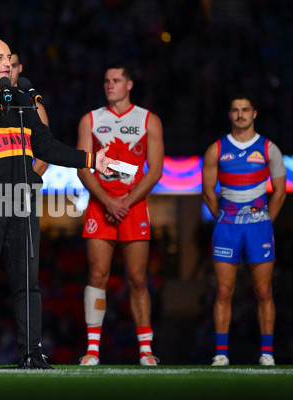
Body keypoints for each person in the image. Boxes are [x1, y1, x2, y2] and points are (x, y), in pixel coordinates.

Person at [0, 38, 115, 369]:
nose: (6, 64)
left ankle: (31, 353)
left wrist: (92, 158)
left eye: (9, 58)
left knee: (28, 283)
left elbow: (46, 146)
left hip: (21, 203)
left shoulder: (23, 102)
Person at [76, 63, 164, 366]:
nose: (109, 85)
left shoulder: (149, 120)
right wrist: (106, 201)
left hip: (133, 205)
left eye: (115, 80)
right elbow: (82, 166)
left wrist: (125, 202)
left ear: (129, 85)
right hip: (100, 206)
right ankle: (92, 350)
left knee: (137, 279)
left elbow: (155, 171)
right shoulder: (90, 120)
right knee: (97, 276)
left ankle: (145, 350)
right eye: (106, 81)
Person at [202, 93, 286, 366]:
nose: (240, 115)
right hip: (227, 229)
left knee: (264, 292)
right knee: (224, 291)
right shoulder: (216, 149)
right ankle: (221, 353)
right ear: (229, 115)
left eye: (245, 110)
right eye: (235, 110)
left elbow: (281, 192)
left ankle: (267, 353)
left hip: (258, 229)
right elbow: (207, 192)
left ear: (254, 113)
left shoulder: (268, 148)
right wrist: (225, 219)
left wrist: (264, 222)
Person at [10, 52, 48, 177]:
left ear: (20, 68)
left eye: (13, 65)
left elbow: (43, 160)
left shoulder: (35, 108)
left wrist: (19, 190)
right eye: (5, 66)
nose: (9, 71)